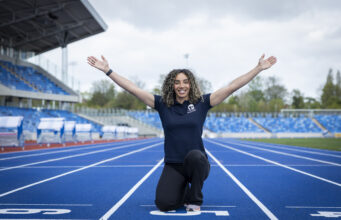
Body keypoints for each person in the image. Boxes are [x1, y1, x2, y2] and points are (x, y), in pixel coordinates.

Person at [87, 54, 277, 212]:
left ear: (191, 84)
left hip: (197, 163)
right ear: (172, 85)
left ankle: (195, 200)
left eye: (185, 82)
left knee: (195, 156)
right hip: (173, 165)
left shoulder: (202, 102)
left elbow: (231, 87)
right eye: (177, 82)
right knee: (164, 204)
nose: (181, 86)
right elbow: (133, 88)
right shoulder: (162, 104)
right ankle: (183, 190)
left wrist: (257, 69)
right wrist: (108, 71)